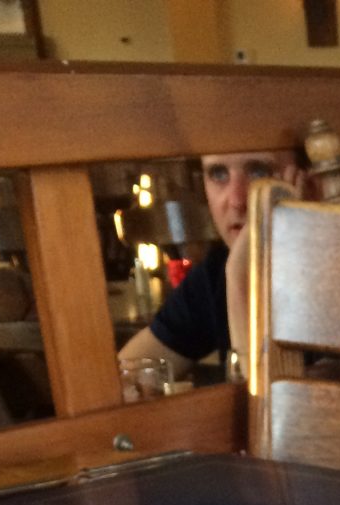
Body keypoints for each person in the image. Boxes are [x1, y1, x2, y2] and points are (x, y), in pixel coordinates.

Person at [118, 148, 306, 380]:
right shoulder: (214, 271)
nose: (237, 200)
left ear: (306, 183)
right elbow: (128, 374)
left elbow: (269, 404)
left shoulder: (338, 276)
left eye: (259, 172)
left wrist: (238, 275)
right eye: (218, 174)